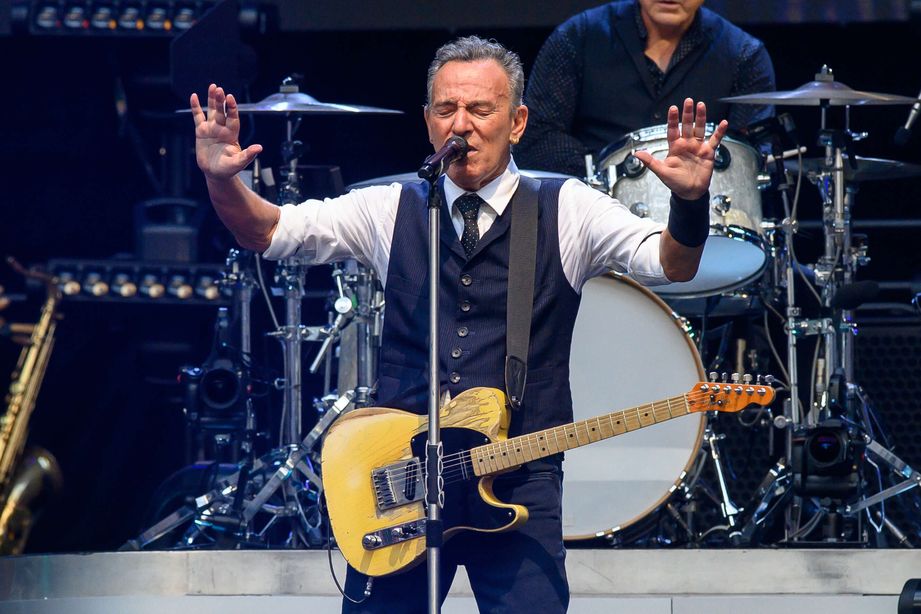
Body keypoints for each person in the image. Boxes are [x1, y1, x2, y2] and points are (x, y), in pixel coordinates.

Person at [190, 35, 726, 614]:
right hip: (402, 476)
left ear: (517, 122)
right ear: (428, 122)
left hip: (518, 476)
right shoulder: (391, 205)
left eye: (480, 109)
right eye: (446, 109)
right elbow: (269, 231)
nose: (461, 125)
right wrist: (223, 181)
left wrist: (689, 204)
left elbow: (671, 263)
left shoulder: (568, 207)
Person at [515, 0, 775, 177]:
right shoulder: (577, 37)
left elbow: (751, 158)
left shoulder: (744, 56)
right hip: (591, 214)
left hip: (701, 218)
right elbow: (537, 135)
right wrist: (611, 172)